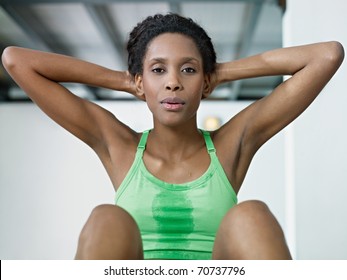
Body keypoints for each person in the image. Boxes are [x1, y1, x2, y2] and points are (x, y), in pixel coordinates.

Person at [1, 13, 344, 260]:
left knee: (251, 215)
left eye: (189, 70)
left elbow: (326, 55)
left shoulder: (229, 147)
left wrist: (219, 72)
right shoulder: (119, 147)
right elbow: (16, 60)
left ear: (205, 82)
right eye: (158, 70)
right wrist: (124, 80)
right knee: (107, 217)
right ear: (141, 82)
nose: (173, 82)